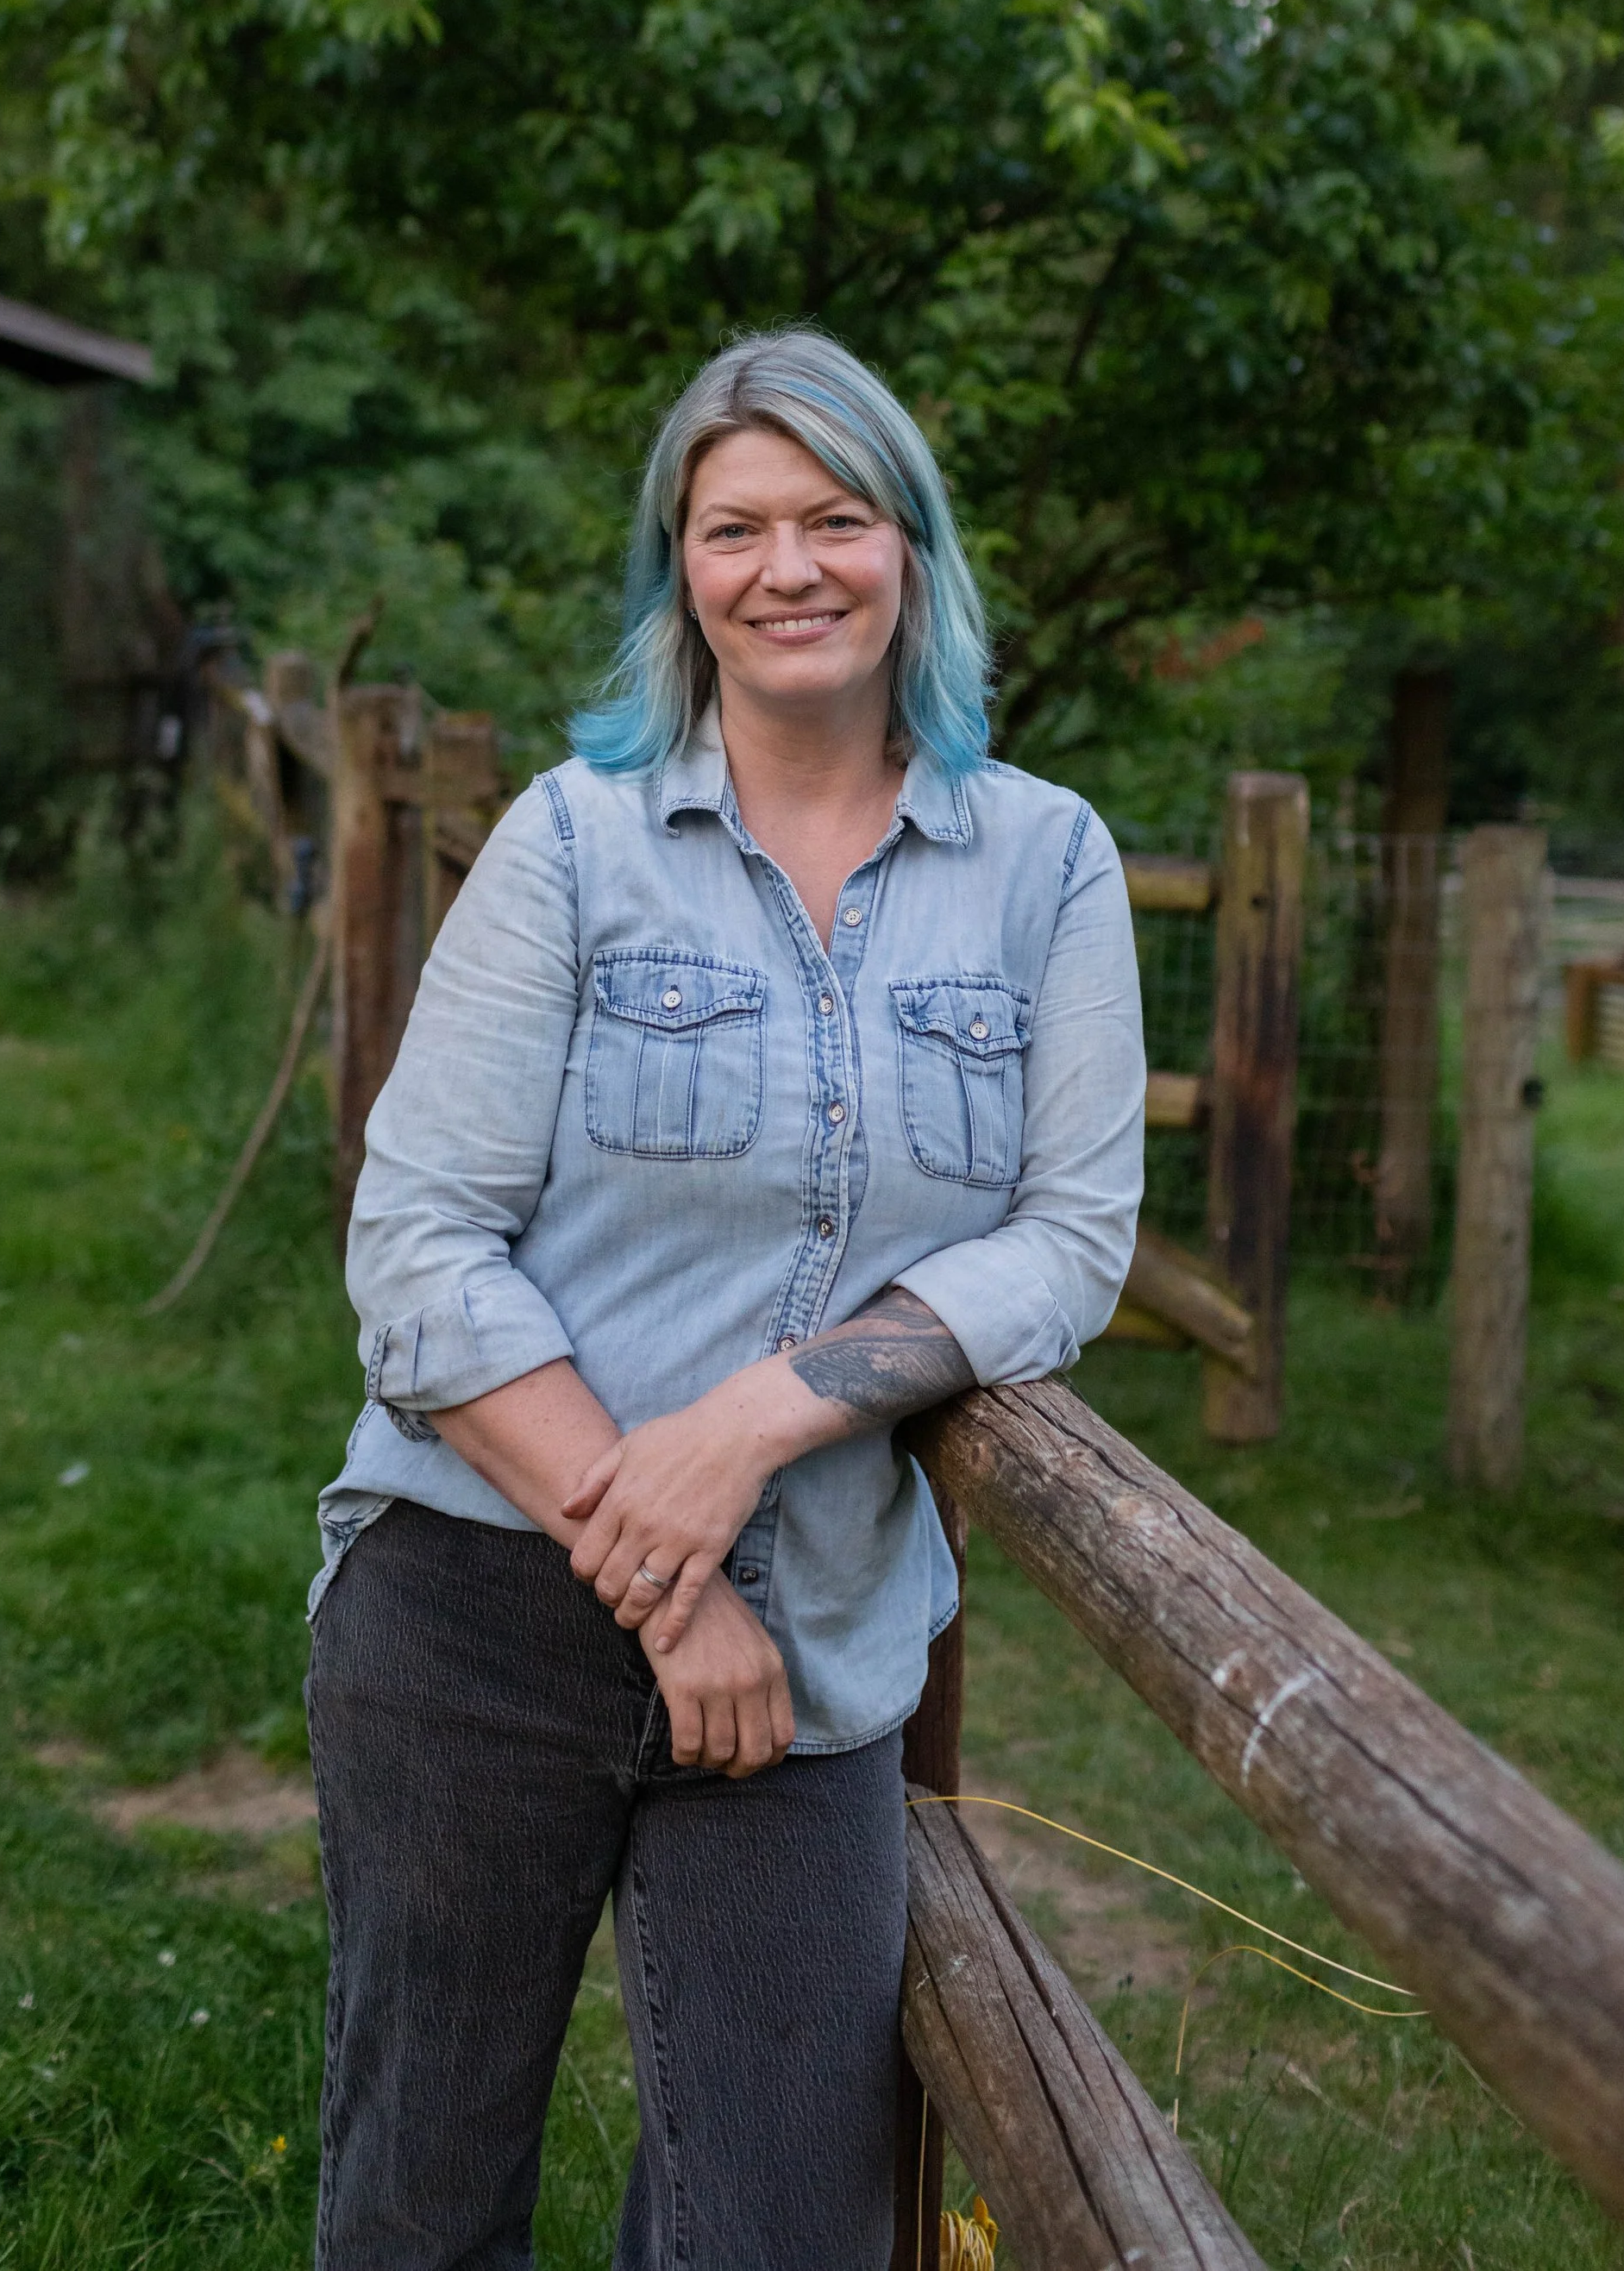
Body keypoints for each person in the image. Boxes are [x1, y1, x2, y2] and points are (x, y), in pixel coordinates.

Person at [305, 328, 1145, 2271]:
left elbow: (1068, 1238)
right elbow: (417, 1252)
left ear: (910, 551)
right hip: (475, 1604)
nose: (787, 567)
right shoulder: (574, 844)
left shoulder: (1042, 866)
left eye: (834, 518)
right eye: (733, 526)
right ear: (678, 569)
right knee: (419, 2202)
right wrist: (668, 1573)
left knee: (780, 2223)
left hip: (820, 1639)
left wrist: (760, 1416)